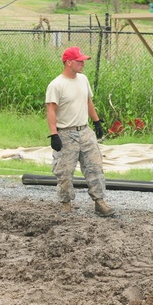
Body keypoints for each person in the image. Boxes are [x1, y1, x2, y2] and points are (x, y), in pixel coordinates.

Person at [45, 46, 113, 218]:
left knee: (95, 167)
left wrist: (96, 122)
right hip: (66, 133)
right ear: (69, 63)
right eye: (79, 61)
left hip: (84, 131)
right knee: (65, 171)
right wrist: (54, 134)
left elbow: (87, 101)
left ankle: (100, 202)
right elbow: (51, 110)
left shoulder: (83, 79)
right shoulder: (56, 85)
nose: (83, 63)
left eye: (83, 61)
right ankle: (65, 203)